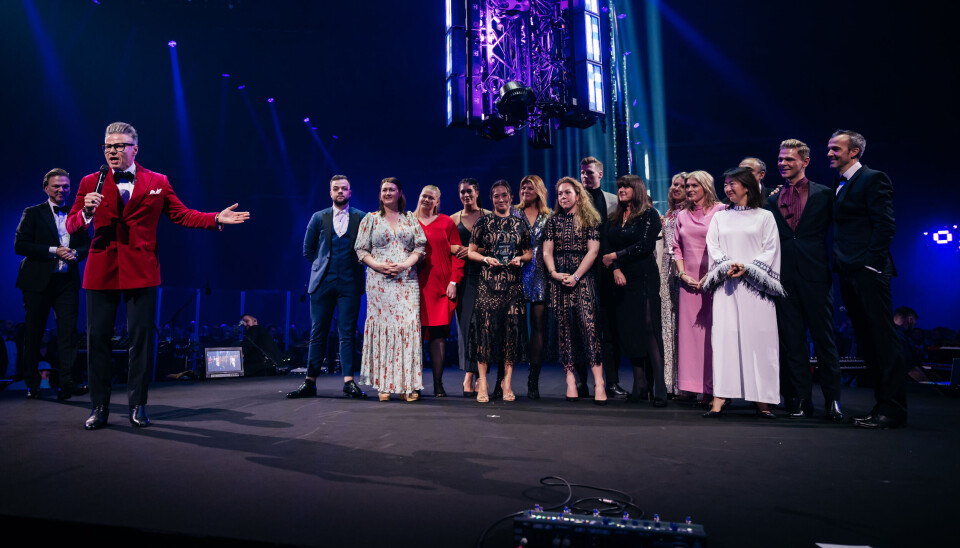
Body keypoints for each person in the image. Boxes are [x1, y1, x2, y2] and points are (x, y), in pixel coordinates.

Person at [66, 122, 249, 430]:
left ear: (134, 149)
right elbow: (71, 226)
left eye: (119, 145)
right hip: (101, 270)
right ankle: (99, 407)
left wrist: (215, 218)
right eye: (108, 146)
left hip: (142, 270)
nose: (113, 151)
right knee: (97, 340)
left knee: (141, 340)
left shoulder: (157, 181)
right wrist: (85, 212)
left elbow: (181, 214)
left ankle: (138, 405)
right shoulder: (89, 182)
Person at [828, 129, 906, 429]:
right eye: (829, 148)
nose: (830, 153)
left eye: (836, 149)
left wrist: (872, 266)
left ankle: (893, 409)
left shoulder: (873, 178)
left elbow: (885, 225)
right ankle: (881, 406)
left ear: (854, 152)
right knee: (868, 341)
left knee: (883, 340)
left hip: (867, 271)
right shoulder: (842, 183)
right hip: (848, 271)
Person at [765, 139, 844, 421]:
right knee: (793, 342)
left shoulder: (825, 194)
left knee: (825, 342)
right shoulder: (772, 201)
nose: (783, 163)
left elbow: (842, 230)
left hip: (816, 275)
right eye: (781, 159)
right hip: (784, 277)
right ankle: (800, 400)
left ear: (805, 162)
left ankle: (833, 401)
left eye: (790, 159)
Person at [702, 167, 785, 418]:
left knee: (760, 342)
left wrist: (747, 268)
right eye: (725, 184)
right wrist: (729, 266)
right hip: (728, 288)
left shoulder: (765, 217)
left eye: (732, 183)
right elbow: (713, 246)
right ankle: (719, 398)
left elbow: (771, 249)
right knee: (725, 340)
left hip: (755, 290)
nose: (727, 188)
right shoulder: (720, 217)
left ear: (747, 186)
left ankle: (762, 400)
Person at [286, 175, 368, 399]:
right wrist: (323, 266)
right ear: (330, 193)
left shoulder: (362, 217)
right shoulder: (318, 217)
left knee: (347, 333)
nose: (340, 191)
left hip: (350, 282)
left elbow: (368, 248)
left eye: (344, 188)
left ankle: (349, 381)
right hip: (323, 282)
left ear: (350, 192)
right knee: (317, 332)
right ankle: (310, 382)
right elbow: (308, 250)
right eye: (336, 189)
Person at [15, 168, 90, 401]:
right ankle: (32, 383)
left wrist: (77, 254)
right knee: (34, 333)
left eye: (66, 186)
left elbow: (87, 245)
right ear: (46, 188)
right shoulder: (33, 213)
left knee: (68, 334)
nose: (61, 190)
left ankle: (67, 383)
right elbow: (20, 246)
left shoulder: (78, 214)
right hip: (37, 282)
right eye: (57, 186)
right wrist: (53, 251)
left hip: (67, 281)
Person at [355, 177, 427, 402]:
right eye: (384, 189)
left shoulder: (410, 219)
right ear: (380, 195)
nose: (387, 193)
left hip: (406, 282)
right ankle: (383, 384)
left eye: (391, 189)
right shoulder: (371, 219)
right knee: (384, 330)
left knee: (407, 330)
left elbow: (420, 247)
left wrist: (405, 264)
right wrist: (377, 266)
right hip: (380, 284)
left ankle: (408, 386)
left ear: (399, 193)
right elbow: (361, 249)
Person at [602, 175, 667, 406]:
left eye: (626, 186)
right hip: (620, 279)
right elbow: (607, 245)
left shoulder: (648, 215)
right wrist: (616, 268)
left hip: (643, 277)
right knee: (630, 331)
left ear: (637, 189)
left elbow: (645, 245)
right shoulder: (614, 217)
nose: (621, 189)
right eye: (619, 186)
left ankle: (660, 387)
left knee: (649, 329)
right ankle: (640, 384)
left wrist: (617, 257)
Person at [543, 177, 607, 405]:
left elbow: (593, 251)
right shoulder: (553, 221)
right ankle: (570, 380)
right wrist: (553, 273)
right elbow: (547, 251)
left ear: (578, 194)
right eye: (559, 193)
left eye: (567, 192)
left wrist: (577, 276)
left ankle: (599, 382)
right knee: (565, 331)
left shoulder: (590, 219)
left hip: (583, 278)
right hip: (559, 279)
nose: (562, 196)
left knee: (589, 328)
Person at [466, 180, 531, 402]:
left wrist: (519, 259)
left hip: (512, 286)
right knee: (484, 333)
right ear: (491, 198)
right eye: (496, 196)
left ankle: (507, 383)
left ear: (511, 197)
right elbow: (471, 252)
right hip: (487, 285)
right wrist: (485, 258)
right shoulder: (483, 222)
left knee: (510, 333)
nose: (500, 199)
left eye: (504, 195)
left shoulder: (520, 224)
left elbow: (529, 253)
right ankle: (482, 382)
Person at [672, 170, 723, 403]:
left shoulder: (721, 211)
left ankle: (713, 389)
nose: (689, 189)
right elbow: (677, 248)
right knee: (690, 337)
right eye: (687, 185)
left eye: (694, 185)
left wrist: (712, 275)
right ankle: (692, 386)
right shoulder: (682, 215)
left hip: (713, 283)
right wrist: (682, 274)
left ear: (706, 186)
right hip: (688, 284)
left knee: (712, 337)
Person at [579, 156, 627, 399]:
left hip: (607, 270)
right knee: (580, 328)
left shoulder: (612, 201)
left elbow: (616, 235)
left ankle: (613, 382)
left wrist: (616, 264)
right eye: (582, 172)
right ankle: (581, 383)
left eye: (589, 173)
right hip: (579, 270)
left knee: (609, 329)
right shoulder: (573, 200)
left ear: (600, 175)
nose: (585, 176)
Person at [414, 185, 464, 397]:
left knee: (438, 336)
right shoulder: (408, 221)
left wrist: (453, 281)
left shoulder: (446, 222)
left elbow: (458, 254)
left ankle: (438, 383)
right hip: (413, 285)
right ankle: (412, 383)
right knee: (412, 337)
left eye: (431, 198)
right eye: (424, 196)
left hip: (439, 287)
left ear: (437, 202)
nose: (427, 200)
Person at [450, 178, 490, 397]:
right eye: (462, 192)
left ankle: (481, 376)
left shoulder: (489, 216)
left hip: (486, 276)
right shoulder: (453, 219)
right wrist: (453, 247)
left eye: (469, 192)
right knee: (466, 328)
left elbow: (498, 244)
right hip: (463, 278)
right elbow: (440, 243)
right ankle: (468, 375)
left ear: (477, 193)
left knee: (484, 328)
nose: (466, 195)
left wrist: (475, 249)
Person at [514, 175, 551, 399]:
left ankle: (533, 379)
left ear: (539, 190)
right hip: (516, 271)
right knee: (513, 325)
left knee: (538, 324)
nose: (526, 190)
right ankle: (504, 378)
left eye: (530, 187)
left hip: (540, 272)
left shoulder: (550, 216)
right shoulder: (513, 212)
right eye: (523, 186)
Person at [659, 172, 686, 397]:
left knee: (682, 326)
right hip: (666, 267)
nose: (675, 187)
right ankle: (670, 382)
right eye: (673, 183)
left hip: (684, 267)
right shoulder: (668, 214)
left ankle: (685, 382)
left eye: (681, 185)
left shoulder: (692, 213)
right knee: (667, 326)